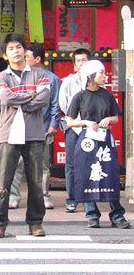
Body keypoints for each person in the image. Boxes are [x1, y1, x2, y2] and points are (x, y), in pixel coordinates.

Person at [0, 33, 50, 238]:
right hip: (8, 134)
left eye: (18, 47)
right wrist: (30, 96)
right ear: (5, 55)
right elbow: (5, 97)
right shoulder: (1, 76)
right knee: (4, 182)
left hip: (34, 133)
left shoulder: (39, 74)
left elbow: (43, 99)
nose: (16, 51)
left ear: (25, 51)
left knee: (35, 182)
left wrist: (20, 100)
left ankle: (35, 222)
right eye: (10, 49)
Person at [66, 60, 130, 229]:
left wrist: (109, 119)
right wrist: (86, 122)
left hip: (105, 140)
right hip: (87, 141)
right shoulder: (79, 96)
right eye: (101, 73)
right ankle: (92, 215)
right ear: (90, 77)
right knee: (87, 176)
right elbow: (70, 121)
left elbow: (116, 117)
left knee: (110, 175)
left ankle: (117, 215)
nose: (104, 75)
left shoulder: (107, 95)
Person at [8, 45, 61, 210]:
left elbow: (54, 103)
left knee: (42, 165)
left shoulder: (52, 79)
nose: (23, 58)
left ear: (37, 59)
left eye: (27, 56)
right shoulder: (19, 76)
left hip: (43, 126)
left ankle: (43, 196)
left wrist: (53, 124)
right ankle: (13, 196)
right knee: (16, 163)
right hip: (19, 125)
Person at [58, 48, 90, 213]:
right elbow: (63, 104)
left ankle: (88, 199)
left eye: (84, 60)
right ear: (74, 64)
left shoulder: (95, 83)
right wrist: (74, 119)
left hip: (91, 128)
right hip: (72, 127)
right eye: (78, 61)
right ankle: (71, 199)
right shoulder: (68, 82)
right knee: (70, 165)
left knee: (89, 164)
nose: (81, 63)